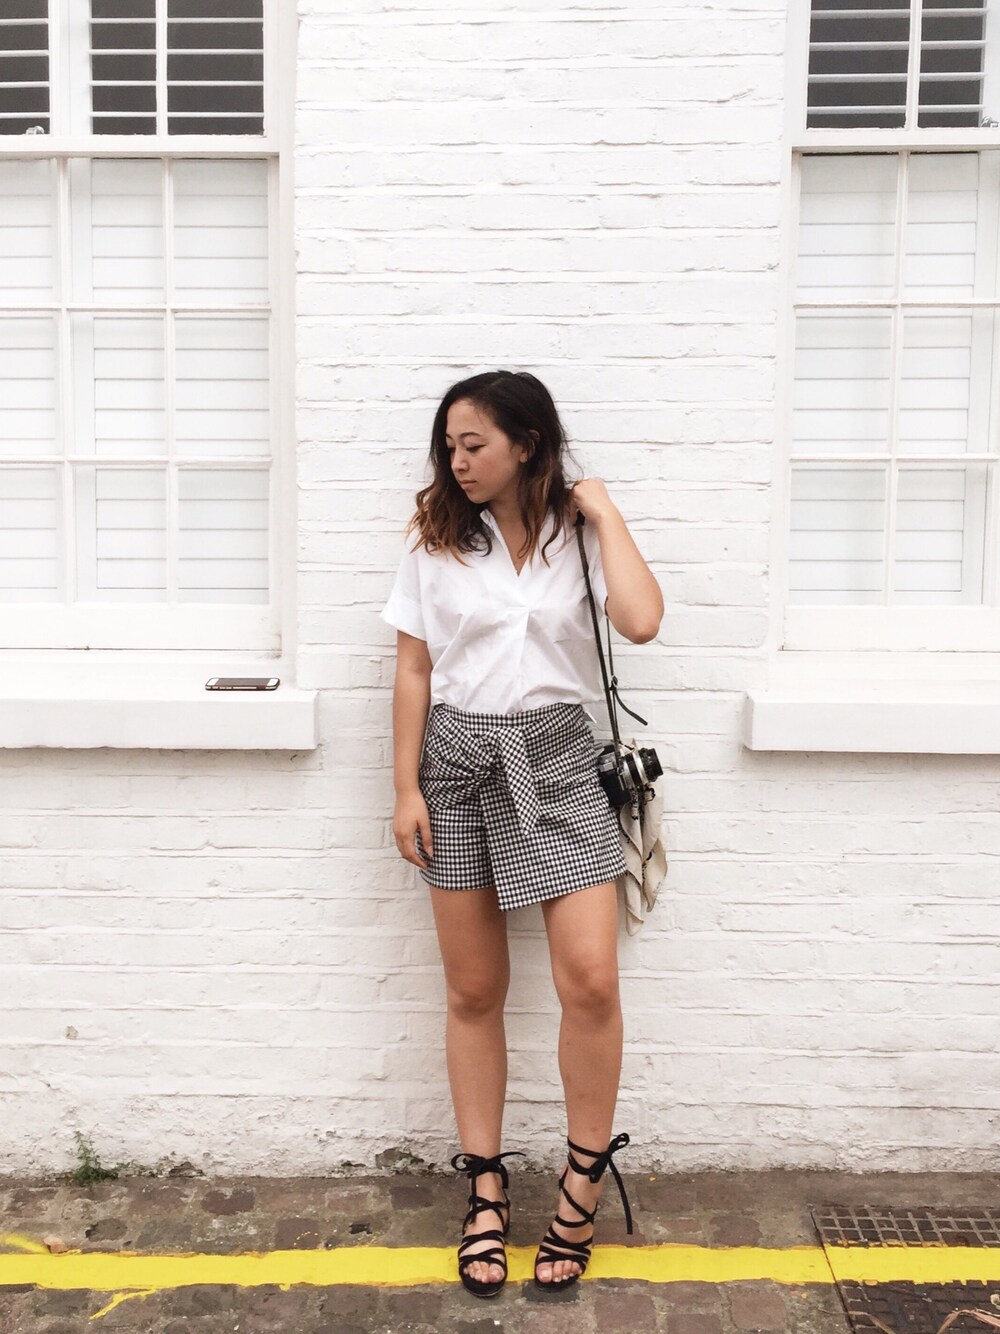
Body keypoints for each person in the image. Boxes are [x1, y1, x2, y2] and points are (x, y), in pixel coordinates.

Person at [380, 370, 663, 1297]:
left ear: (528, 444)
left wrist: (604, 510)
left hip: (557, 759)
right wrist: (405, 788)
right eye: (450, 447)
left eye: (475, 445)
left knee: (590, 981)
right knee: (474, 990)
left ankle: (582, 1186)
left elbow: (642, 622)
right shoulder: (435, 538)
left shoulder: (578, 535)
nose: (458, 462)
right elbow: (414, 669)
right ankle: (486, 1191)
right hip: (458, 763)